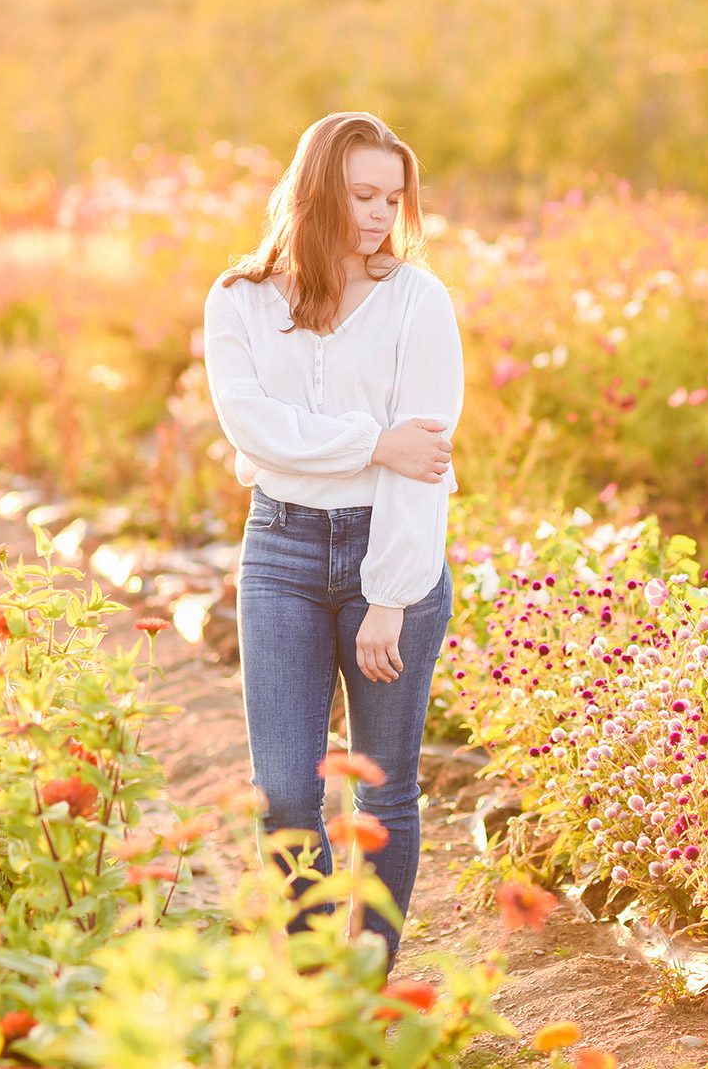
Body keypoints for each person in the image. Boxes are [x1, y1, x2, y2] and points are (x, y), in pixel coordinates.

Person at [200, 109, 464, 974]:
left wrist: (389, 593)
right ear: (317, 193)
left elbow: (423, 457)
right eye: (362, 195)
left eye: (393, 196)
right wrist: (371, 439)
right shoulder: (238, 298)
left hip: (392, 554)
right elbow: (254, 428)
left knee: (384, 788)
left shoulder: (418, 301)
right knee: (284, 789)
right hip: (278, 551)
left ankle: (368, 978)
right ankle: (315, 980)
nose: (382, 214)